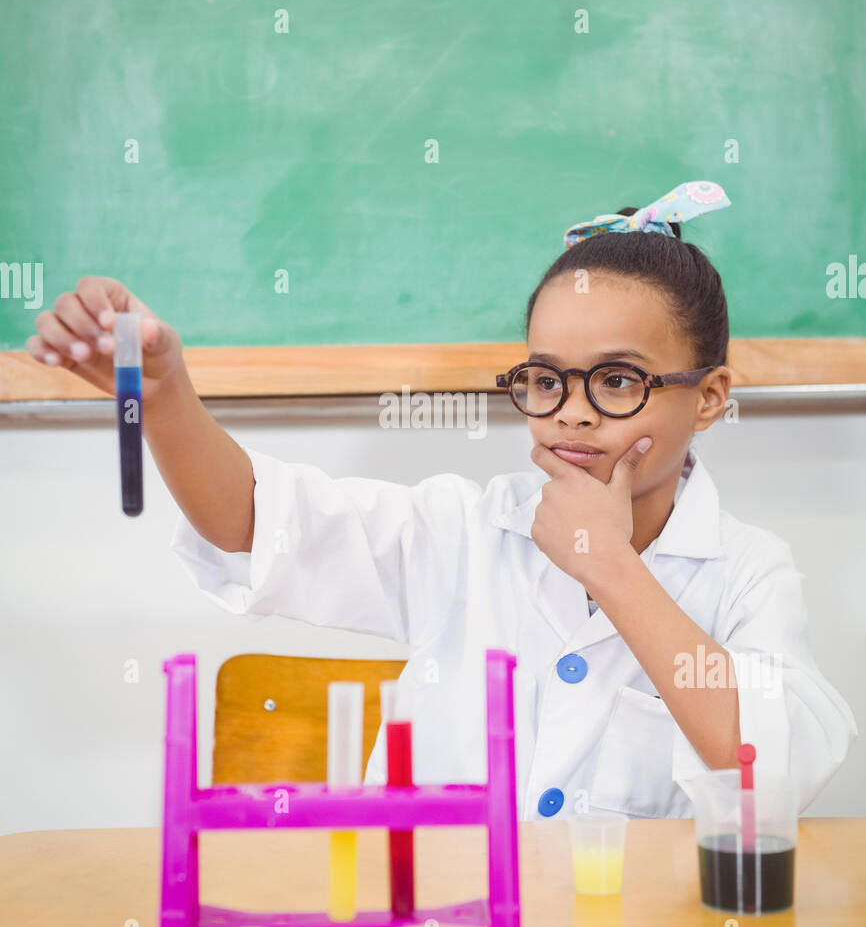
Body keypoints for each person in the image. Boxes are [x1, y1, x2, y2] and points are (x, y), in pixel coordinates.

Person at [28, 180, 857, 819]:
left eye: (616, 380)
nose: (570, 410)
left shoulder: (748, 572)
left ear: (708, 397)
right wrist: (167, 390)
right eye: (545, 379)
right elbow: (252, 523)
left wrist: (609, 566)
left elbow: (770, 769)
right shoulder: (459, 529)